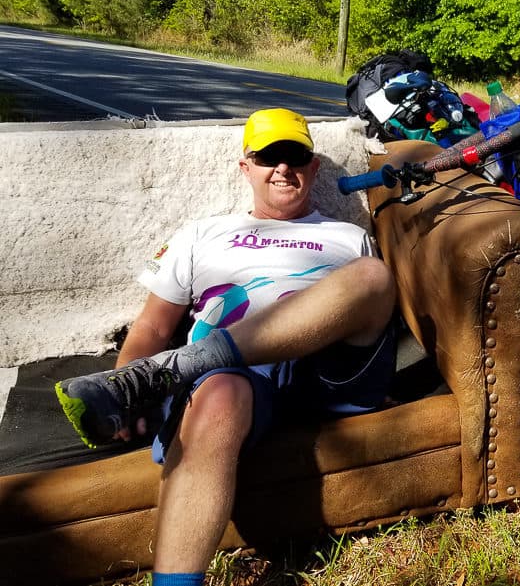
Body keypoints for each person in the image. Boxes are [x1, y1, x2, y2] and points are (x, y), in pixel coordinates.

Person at [54, 108, 397, 586]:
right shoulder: (201, 235)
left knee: (373, 276)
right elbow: (152, 326)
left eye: (295, 154)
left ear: (313, 166)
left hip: (321, 372)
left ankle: (184, 364)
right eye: (268, 156)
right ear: (245, 167)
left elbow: (370, 308)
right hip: (234, 384)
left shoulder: (349, 236)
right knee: (218, 396)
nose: (283, 167)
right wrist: (130, 382)